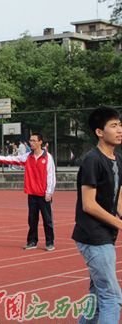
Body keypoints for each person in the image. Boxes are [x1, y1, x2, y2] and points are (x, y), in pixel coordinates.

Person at [71, 107, 122, 323]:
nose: (119, 129)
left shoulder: (118, 159)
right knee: (111, 296)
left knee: (98, 295)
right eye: (113, 125)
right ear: (99, 132)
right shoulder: (92, 160)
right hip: (93, 236)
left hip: (105, 235)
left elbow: (118, 198)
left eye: (120, 124)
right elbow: (89, 205)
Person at [0, 133, 56, 251]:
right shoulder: (27, 157)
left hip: (44, 194)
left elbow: (51, 176)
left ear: (40, 142)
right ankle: (32, 241)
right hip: (32, 194)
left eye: (34, 140)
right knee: (32, 220)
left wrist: (49, 192)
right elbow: (12, 159)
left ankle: (49, 242)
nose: (31, 143)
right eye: (30, 140)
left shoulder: (48, 157)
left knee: (47, 220)